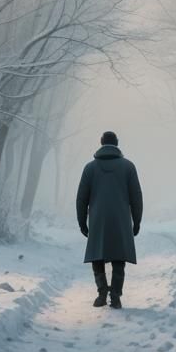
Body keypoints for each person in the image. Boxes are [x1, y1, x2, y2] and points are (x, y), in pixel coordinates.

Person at [76, 130, 143, 309]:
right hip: (121, 219)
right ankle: (115, 295)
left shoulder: (89, 168)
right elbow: (136, 196)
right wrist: (137, 221)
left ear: (101, 143)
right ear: (117, 143)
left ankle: (101, 293)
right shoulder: (128, 167)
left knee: (97, 256)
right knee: (119, 258)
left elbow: (82, 198)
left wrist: (82, 222)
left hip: (97, 219)